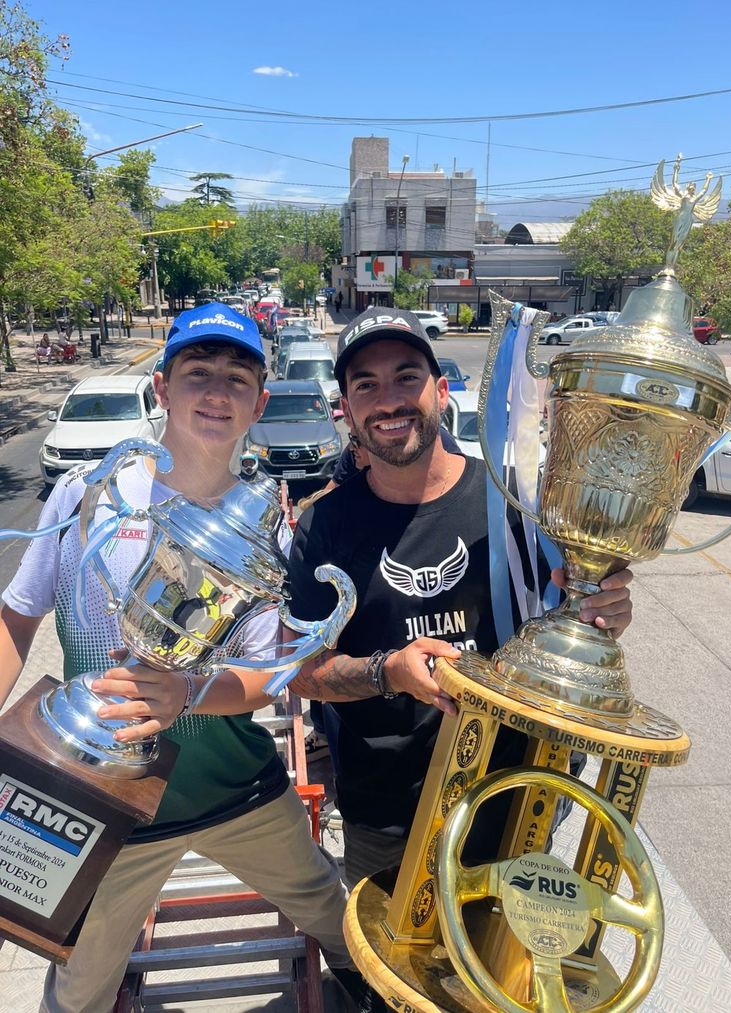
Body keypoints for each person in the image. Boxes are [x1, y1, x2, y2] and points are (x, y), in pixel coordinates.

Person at [0, 302, 376, 1012]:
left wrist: (192, 693)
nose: (216, 392)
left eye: (238, 378)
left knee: (338, 919)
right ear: (163, 389)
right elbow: (16, 618)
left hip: (234, 789)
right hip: (107, 798)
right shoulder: (90, 496)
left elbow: (270, 677)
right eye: (197, 372)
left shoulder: (269, 540)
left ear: (259, 401)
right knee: (78, 989)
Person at [285, 308, 634, 887]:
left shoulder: (517, 502)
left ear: (442, 391)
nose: (389, 400)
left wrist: (603, 612)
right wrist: (389, 671)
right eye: (365, 385)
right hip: (386, 811)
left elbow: (577, 619)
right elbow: (301, 672)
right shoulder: (324, 525)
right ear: (345, 410)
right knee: (390, 972)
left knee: (500, 967)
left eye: (406, 377)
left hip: (518, 797)